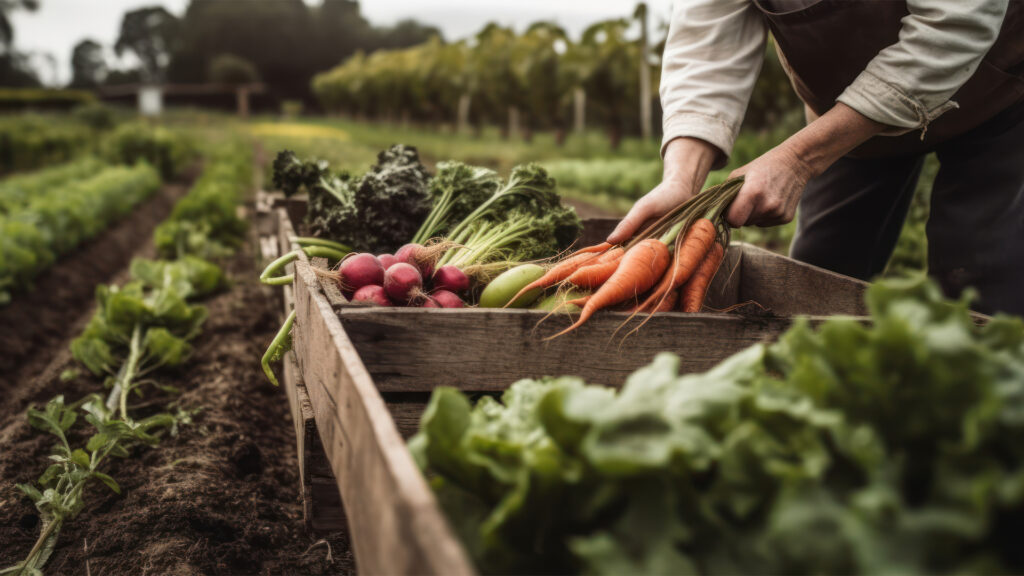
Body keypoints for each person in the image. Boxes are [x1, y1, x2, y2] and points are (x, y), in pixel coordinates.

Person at [608, 0, 1024, 315]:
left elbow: (954, 24)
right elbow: (706, 42)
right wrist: (681, 179)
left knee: (981, 288)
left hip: (997, 97)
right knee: (816, 283)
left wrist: (799, 160)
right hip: (846, 121)